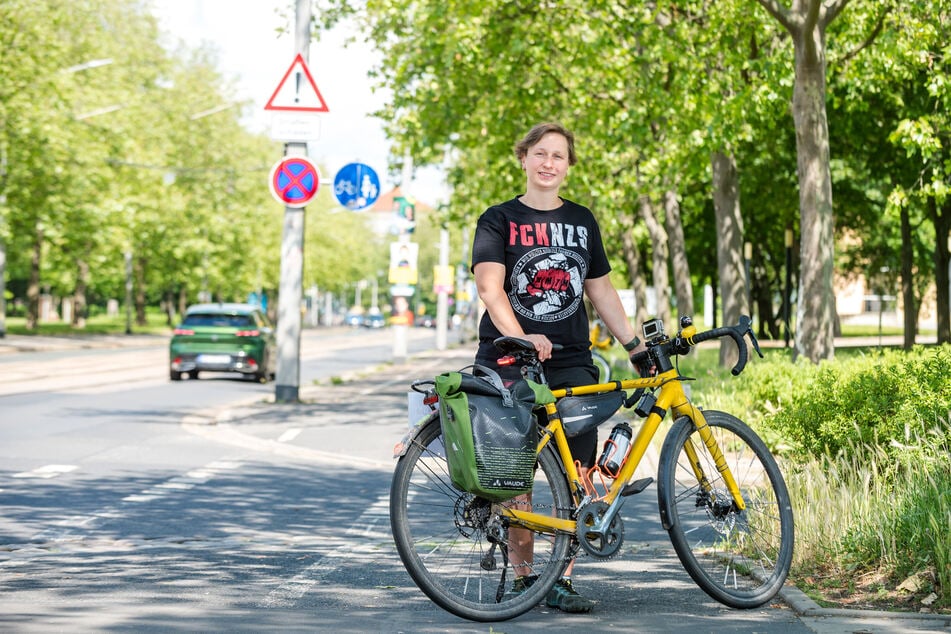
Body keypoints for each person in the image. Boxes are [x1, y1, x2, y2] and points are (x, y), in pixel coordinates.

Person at [471, 122, 645, 613]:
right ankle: (527, 578)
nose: (549, 163)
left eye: (559, 157)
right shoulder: (498, 218)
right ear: (523, 158)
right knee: (519, 474)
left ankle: (561, 579)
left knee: (576, 470)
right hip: (509, 360)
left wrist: (632, 344)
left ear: (568, 166)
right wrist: (521, 336)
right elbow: (491, 288)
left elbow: (601, 290)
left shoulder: (582, 220)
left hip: (572, 361)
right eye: (541, 154)